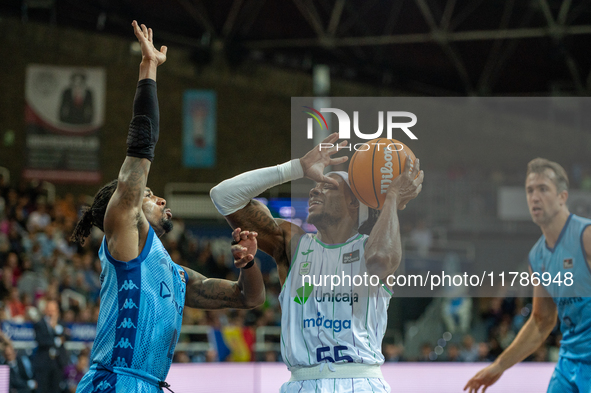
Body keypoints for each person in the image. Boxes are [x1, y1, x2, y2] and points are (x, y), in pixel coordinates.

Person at [70, 21, 265, 392]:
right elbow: (141, 150)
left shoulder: (176, 277)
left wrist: (249, 264)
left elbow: (249, 298)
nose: (159, 198)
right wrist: (149, 69)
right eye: (149, 195)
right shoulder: (123, 230)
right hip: (115, 382)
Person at [210, 133, 423, 392]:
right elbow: (223, 196)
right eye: (316, 185)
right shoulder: (293, 244)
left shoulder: (372, 246)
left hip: (360, 381)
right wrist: (296, 167)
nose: (314, 189)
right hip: (301, 382)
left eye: (328, 185)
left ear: (353, 202)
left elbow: (381, 261)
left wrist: (390, 198)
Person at [465, 158, 591, 393]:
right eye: (530, 190)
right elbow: (541, 322)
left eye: (543, 189)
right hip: (569, 363)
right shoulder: (538, 256)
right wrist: (499, 365)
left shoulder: (586, 236)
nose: (535, 197)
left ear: (563, 196)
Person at [33, 300, 66, 393]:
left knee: (56, 389)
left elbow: (67, 336)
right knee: (43, 389)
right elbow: (41, 341)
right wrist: (57, 341)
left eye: (54, 309)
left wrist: (55, 327)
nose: (52, 312)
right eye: (50, 309)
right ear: (45, 310)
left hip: (57, 362)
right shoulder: (39, 324)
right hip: (43, 363)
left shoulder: (60, 323)